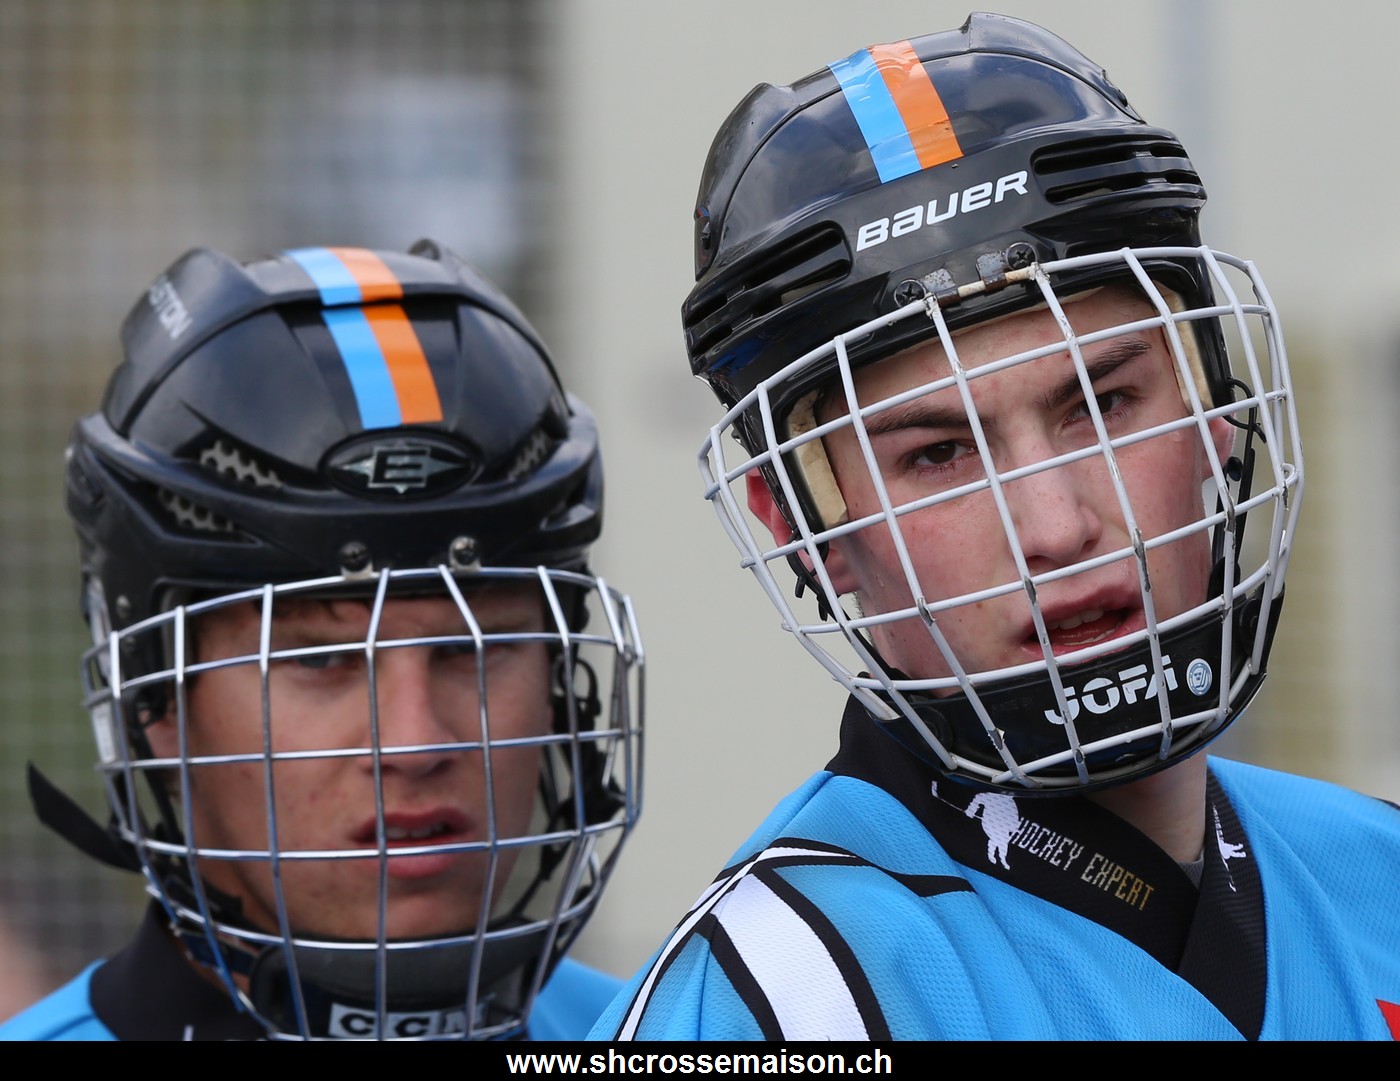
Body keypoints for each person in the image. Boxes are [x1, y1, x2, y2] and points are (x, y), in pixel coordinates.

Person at [591, 12, 1400, 1041]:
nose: (1056, 524)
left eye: (1102, 402)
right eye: (938, 453)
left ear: (1212, 409)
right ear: (802, 525)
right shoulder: (774, 1006)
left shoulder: (1377, 874)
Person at [0, 240, 644, 1041]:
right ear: (153, 699)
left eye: (474, 648)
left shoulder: (667, 1029)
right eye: (317, 657)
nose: (415, 743)